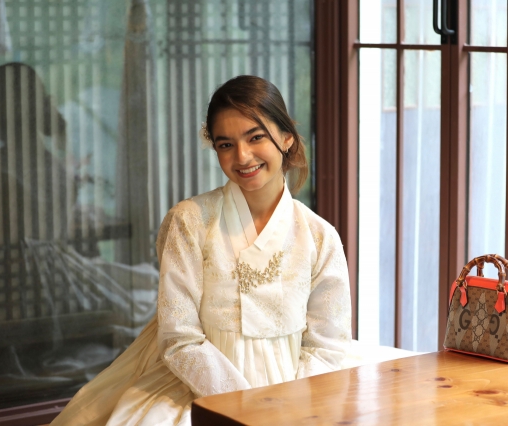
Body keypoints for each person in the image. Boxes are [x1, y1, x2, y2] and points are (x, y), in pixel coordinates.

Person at [51, 75, 352, 425]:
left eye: (255, 137)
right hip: (202, 391)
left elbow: (326, 346)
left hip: (297, 397)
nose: (242, 156)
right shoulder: (190, 222)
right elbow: (180, 338)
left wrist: (286, 407)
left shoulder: (319, 236)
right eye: (226, 145)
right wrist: (245, 408)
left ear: (286, 138)